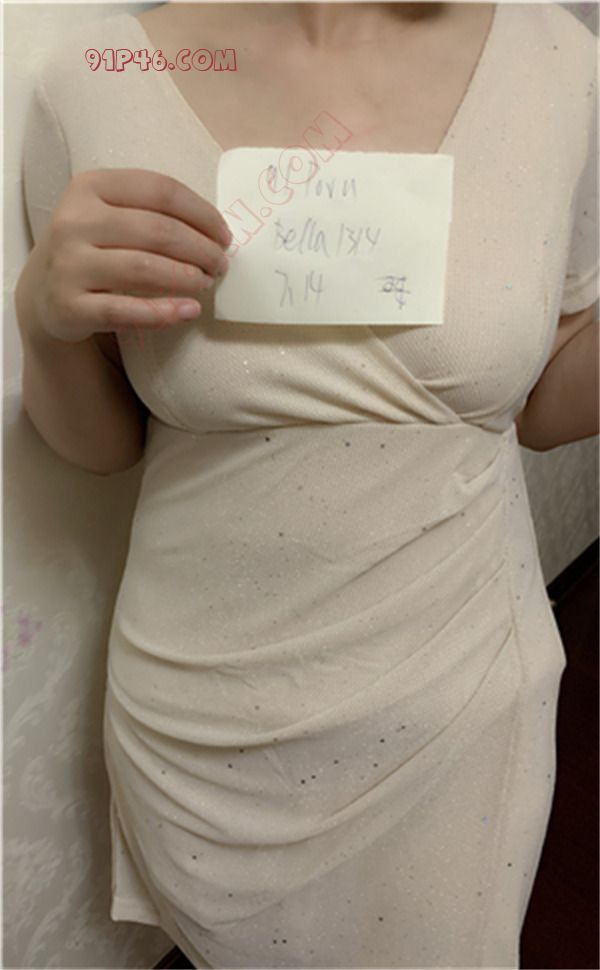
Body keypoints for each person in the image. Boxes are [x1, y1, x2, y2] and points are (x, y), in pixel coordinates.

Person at [16, 2, 598, 967]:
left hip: (455, 706)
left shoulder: (559, 64)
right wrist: (43, 320)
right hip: (203, 731)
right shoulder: (98, 79)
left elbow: (541, 401)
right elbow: (105, 447)